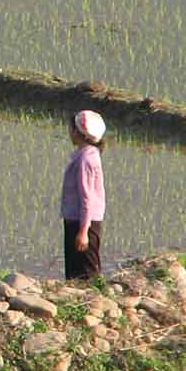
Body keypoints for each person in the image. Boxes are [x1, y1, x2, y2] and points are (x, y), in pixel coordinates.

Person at [61, 108, 106, 281]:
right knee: (75, 273)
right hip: (78, 220)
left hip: (82, 222)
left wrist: (83, 231)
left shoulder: (85, 160)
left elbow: (87, 198)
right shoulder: (87, 154)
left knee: (86, 273)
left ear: (77, 131)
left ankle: (94, 304)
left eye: (70, 129)